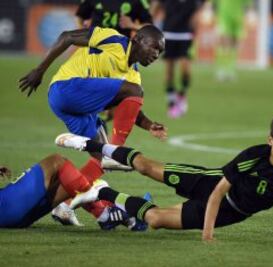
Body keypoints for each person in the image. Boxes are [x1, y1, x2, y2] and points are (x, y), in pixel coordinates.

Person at [56, 113, 273, 241]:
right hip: (208, 182)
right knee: (146, 166)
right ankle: (87, 144)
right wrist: (207, 234)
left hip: (231, 213)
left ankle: (103, 193)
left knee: (155, 220)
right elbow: (219, 191)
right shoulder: (252, 157)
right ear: (270, 140)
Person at [19, 25, 166, 227]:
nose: (156, 54)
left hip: (78, 110)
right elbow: (67, 36)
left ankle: (63, 206)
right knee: (111, 152)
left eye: (160, 52)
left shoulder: (133, 76)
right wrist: (39, 70)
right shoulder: (114, 40)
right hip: (66, 88)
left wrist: (150, 125)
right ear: (138, 38)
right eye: (154, 47)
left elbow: (132, 104)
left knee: (100, 160)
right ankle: (116, 153)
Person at [0, 154, 136, 229]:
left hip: (13, 216)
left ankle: (105, 214)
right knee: (56, 161)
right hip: (6, 206)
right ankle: (95, 201)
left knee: (65, 181)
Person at [151, 0, 205, 118]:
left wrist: (197, 20)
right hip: (168, 34)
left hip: (186, 35)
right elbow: (156, 8)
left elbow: (200, 7)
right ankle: (171, 103)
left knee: (185, 70)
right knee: (169, 71)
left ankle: (182, 94)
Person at [214, 0, 251, 81]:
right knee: (225, 43)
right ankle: (222, 69)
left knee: (234, 45)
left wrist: (249, 13)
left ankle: (230, 70)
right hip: (224, 16)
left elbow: (248, 4)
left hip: (238, 18)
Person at [76, 0, 153, 38]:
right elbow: (80, 16)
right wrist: (83, 33)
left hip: (121, 49)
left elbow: (150, 27)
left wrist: (132, 25)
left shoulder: (138, 1)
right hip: (95, 46)